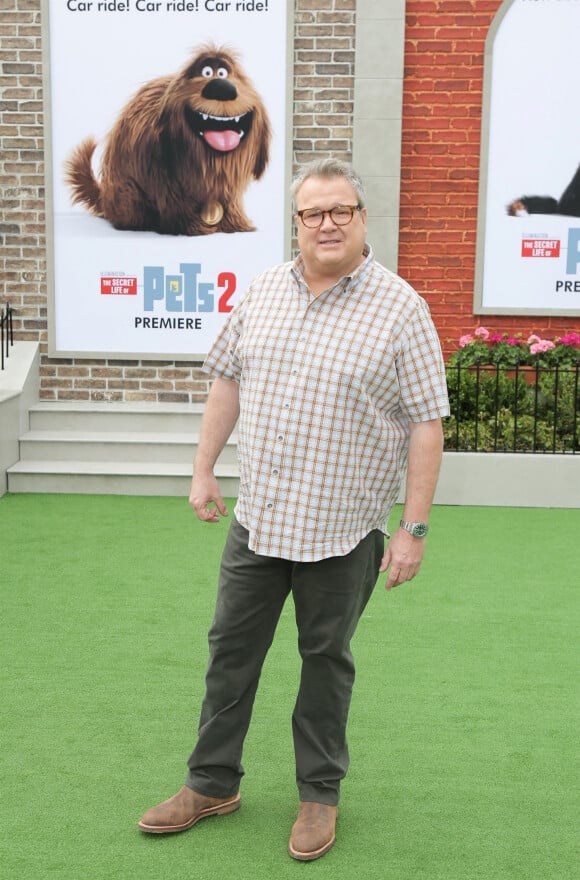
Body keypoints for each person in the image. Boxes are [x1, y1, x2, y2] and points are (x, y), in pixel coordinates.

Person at [138, 158, 450, 860]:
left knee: (325, 662)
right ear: (297, 222)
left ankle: (319, 798)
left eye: (341, 210)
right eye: (313, 213)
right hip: (260, 520)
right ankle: (211, 782)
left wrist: (413, 527)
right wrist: (203, 470)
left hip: (343, 532)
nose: (327, 223)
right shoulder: (264, 292)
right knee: (230, 655)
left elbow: (427, 422)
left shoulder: (401, 307)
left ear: (363, 218)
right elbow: (227, 381)